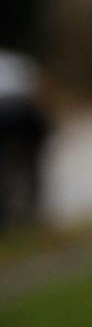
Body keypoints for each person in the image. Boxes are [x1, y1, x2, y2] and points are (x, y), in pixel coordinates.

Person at [0, 49, 50, 227]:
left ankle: (23, 214)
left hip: (21, 123)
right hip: (23, 120)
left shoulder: (12, 63)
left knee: (24, 170)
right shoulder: (14, 62)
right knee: (25, 170)